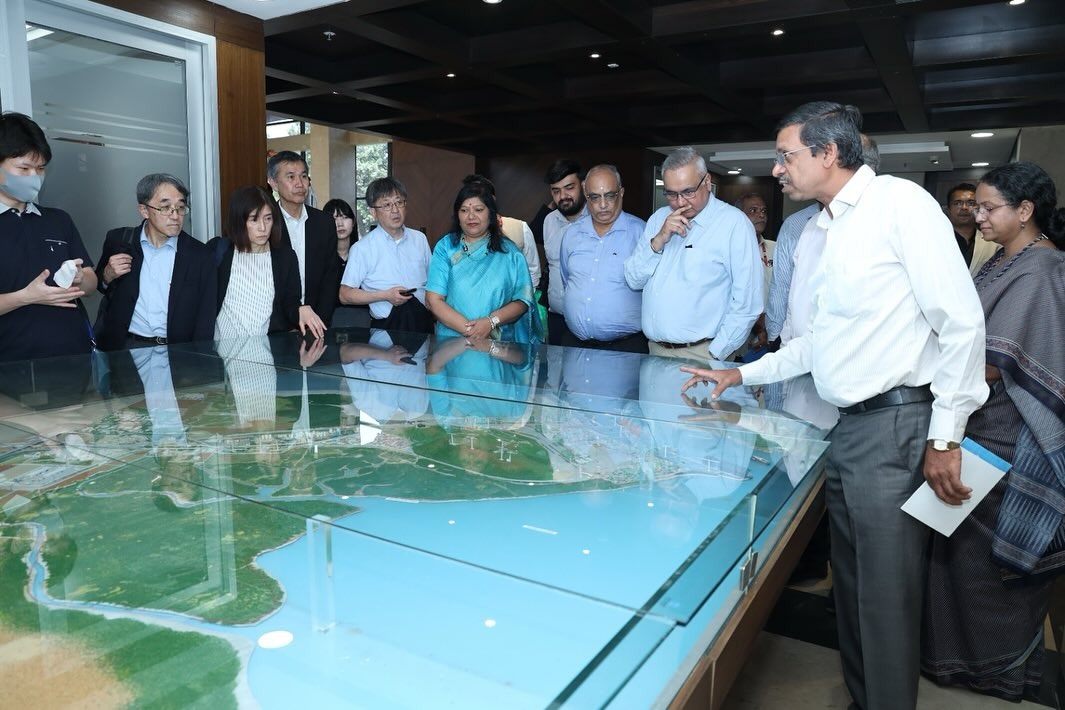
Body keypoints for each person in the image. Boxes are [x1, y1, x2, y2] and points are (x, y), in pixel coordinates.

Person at [679, 101, 987, 710]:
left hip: (897, 423)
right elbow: (818, 340)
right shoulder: (825, 228)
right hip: (848, 427)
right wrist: (739, 372)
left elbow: (962, 323)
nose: (777, 168)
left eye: (786, 156)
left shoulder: (900, 204)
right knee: (850, 587)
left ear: (827, 153)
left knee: (886, 596)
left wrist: (945, 437)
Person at [923, 161, 1065, 702]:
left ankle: (1001, 671)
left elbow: (991, 363)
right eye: (975, 207)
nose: (977, 216)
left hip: (1006, 429)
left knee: (987, 564)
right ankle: (954, 661)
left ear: (1025, 211)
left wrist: (931, 372)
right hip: (976, 420)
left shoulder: (1041, 268)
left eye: (988, 207)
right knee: (953, 552)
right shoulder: (1002, 260)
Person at [624, 146, 762, 362]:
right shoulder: (658, 218)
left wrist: (716, 353)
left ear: (707, 182)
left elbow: (748, 302)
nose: (680, 202)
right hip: (655, 350)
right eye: (671, 194)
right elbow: (633, 279)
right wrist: (658, 240)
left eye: (688, 192)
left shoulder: (734, 224)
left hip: (702, 354)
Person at [0, 111, 97, 362]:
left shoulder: (58, 220)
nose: (34, 177)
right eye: (24, 168)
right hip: (11, 364)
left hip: (73, 359)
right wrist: (26, 297)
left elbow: (91, 284)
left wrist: (80, 278)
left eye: (41, 168)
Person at [93, 173, 216, 350]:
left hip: (177, 351)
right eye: (165, 208)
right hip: (125, 347)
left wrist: (197, 358)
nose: (175, 216)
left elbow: (205, 316)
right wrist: (107, 276)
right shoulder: (120, 241)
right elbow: (100, 284)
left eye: (180, 207)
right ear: (144, 210)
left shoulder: (200, 255)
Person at [425, 181, 540, 344]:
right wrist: (473, 331)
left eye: (478, 210)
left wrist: (490, 322)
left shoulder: (510, 252)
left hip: (497, 344)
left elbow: (522, 300)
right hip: (452, 344)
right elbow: (434, 300)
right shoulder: (446, 247)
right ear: (457, 215)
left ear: (491, 214)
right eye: (464, 210)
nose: (471, 216)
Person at [559, 164, 647, 353]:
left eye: (610, 195)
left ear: (621, 193)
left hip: (625, 348)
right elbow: (567, 280)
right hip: (575, 345)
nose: (603, 204)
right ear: (586, 195)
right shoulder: (572, 234)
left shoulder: (641, 233)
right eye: (595, 197)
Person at [210, 185, 315, 339]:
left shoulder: (285, 258)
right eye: (254, 219)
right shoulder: (218, 252)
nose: (263, 227)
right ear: (239, 221)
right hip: (222, 349)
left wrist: (300, 310)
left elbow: (290, 301)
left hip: (267, 350)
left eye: (268, 218)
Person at [339, 177, 432, 333]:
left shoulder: (419, 239)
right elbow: (345, 294)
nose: (395, 210)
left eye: (399, 202)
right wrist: (385, 295)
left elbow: (433, 282)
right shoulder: (362, 248)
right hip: (386, 327)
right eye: (387, 205)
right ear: (373, 212)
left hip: (422, 321)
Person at [267, 150, 339, 331]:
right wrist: (284, 326)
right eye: (291, 177)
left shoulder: (324, 222)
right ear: (273, 183)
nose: (299, 183)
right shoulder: (266, 223)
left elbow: (330, 278)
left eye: (304, 176)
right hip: (276, 327)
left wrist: (319, 321)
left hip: (317, 324)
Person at [460, 174, 541, 290]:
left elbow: (532, 273)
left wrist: (523, 299)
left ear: (492, 200)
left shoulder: (520, 228)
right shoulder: (452, 240)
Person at [541, 160, 587, 344]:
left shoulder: (597, 221)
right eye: (556, 191)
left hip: (586, 321)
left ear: (583, 186)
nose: (563, 196)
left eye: (569, 188)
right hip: (556, 319)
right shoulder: (549, 221)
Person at [735, 192, 774, 356]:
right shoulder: (731, 249)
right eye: (753, 210)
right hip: (738, 332)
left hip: (772, 329)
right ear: (739, 216)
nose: (761, 215)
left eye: (764, 211)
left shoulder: (776, 247)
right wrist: (757, 325)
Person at [946, 181, 999, 276]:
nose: (964, 208)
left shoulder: (993, 244)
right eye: (957, 203)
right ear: (948, 209)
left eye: (971, 203)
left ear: (980, 208)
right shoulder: (933, 241)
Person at [322, 197, 356, 269]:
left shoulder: (362, 253)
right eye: (334, 219)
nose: (340, 224)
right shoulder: (320, 257)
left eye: (345, 217)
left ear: (353, 222)